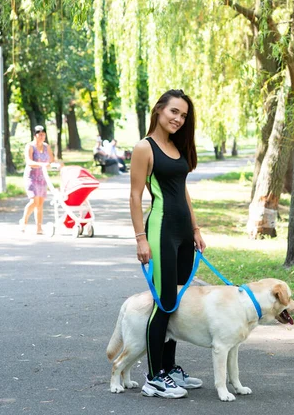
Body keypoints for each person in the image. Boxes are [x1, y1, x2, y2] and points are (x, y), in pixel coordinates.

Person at [130, 89, 206, 399]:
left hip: (183, 234)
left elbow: (183, 193)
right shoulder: (144, 148)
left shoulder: (176, 147)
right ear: (159, 110)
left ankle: (171, 368)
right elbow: (135, 196)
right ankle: (154, 377)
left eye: (184, 115)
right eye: (174, 111)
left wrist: (196, 228)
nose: (178, 118)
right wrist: (140, 238)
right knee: (164, 303)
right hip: (160, 232)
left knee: (177, 300)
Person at [19, 125, 55, 234]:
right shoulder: (30, 146)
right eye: (40, 134)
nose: (42, 137)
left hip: (42, 177)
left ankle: (39, 228)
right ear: (35, 135)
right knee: (34, 201)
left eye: (43, 134)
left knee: (40, 203)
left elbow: (51, 160)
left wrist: (52, 164)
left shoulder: (46, 146)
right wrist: (42, 164)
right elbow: (29, 162)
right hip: (31, 176)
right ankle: (24, 221)